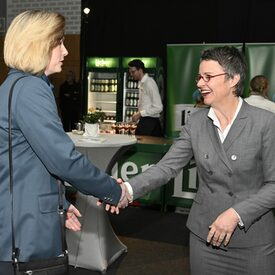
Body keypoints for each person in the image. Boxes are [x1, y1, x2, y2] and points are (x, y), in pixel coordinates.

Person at [107, 46, 275, 274]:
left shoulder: (265, 122)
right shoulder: (196, 122)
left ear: (233, 79)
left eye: (208, 77)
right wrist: (127, 189)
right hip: (205, 238)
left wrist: (237, 214)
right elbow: (166, 167)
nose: (199, 83)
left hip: (253, 242)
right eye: (199, 77)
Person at [0, 10, 126, 274]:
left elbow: (25, 164)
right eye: (59, 42)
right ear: (39, 45)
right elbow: (63, 160)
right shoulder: (31, 89)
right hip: (26, 234)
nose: (66, 51)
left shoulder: (14, 86)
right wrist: (114, 191)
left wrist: (60, 202)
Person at [128, 59, 163, 137]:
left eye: (133, 72)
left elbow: (158, 107)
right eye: (130, 72)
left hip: (150, 122)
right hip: (147, 121)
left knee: (141, 146)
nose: (131, 74)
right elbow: (146, 105)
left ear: (140, 70)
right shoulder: (142, 83)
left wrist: (139, 114)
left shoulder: (149, 83)